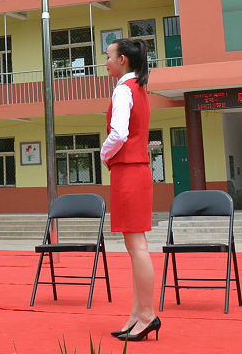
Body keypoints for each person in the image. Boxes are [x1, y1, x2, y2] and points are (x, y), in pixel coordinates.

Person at [101, 38, 160, 343]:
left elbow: (119, 133)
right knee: (135, 245)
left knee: (137, 247)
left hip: (129, 170)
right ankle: (138, 314)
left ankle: (147, 315)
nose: (106, 62)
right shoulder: (138, 86)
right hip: (135, 169)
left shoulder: (124, 89)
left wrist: (104, 153)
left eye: (108, 56)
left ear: (122, 59)